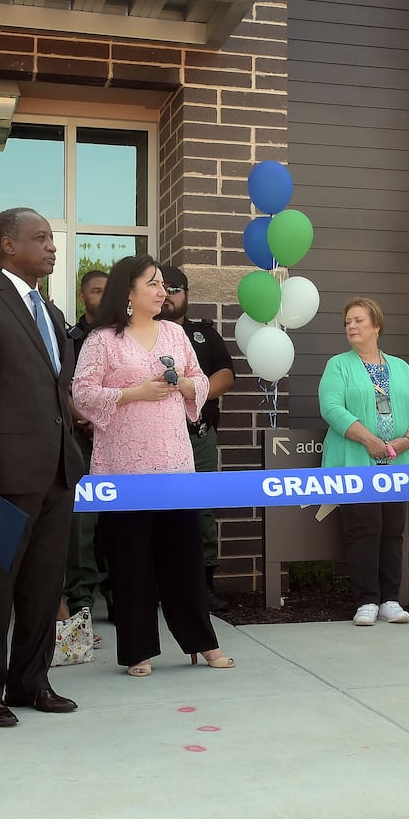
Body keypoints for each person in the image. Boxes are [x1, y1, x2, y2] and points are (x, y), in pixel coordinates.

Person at [0, 207, 85, 726]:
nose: (52, 247)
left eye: (52, 239)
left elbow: (54, 388)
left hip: (54, 472)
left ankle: (31, 682)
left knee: (44, 586)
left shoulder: (48, 311)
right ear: (8, 246)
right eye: (41, 238)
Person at [71, 254, 234, 676]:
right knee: (130, 561)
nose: (164, 292)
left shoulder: (176, 336)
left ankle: (202, 642)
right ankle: (138, 649)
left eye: (164, 285)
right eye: (154, 284)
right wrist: (133, 393)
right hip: (123, 467)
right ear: (128, 292)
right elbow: (82, 394)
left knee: (184, 557)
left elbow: (200, 380)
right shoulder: (103, 339)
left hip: (175, 462)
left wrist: (181, 385)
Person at [319, 297, 409, 627]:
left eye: (358, 321)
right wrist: (369, 440)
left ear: (376, 326)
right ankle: (366, 600)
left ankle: (391, 600)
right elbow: (332, 408)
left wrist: (406, 440)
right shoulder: (338, 365)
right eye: (347, 322)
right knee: (363, 530)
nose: (351, 327)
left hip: (398, 463)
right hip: (357, 460)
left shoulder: (401, 367)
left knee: (393, 531)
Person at [157, 263, 235, 613]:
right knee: (153, 511)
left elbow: (225, 374)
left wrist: (194, 394)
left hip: (197, 435)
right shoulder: (138, 334)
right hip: (153, 440)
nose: (168, 294)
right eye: (161, 287)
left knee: (201, 510)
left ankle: (204, 587)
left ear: (187, 294)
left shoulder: (203, 334)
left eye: (175, 288)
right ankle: (155, 586)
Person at [61, 268, 108, 621]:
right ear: (83, 297)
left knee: (119, 521)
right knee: (82, 525)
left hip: (120, 440)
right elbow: (62, 386)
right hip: (81, 439)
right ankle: (81, 599)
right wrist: (87, 419)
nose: (102, 297)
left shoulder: (128, 336)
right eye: (95, 291)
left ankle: (119, 594)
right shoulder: (70, 338)